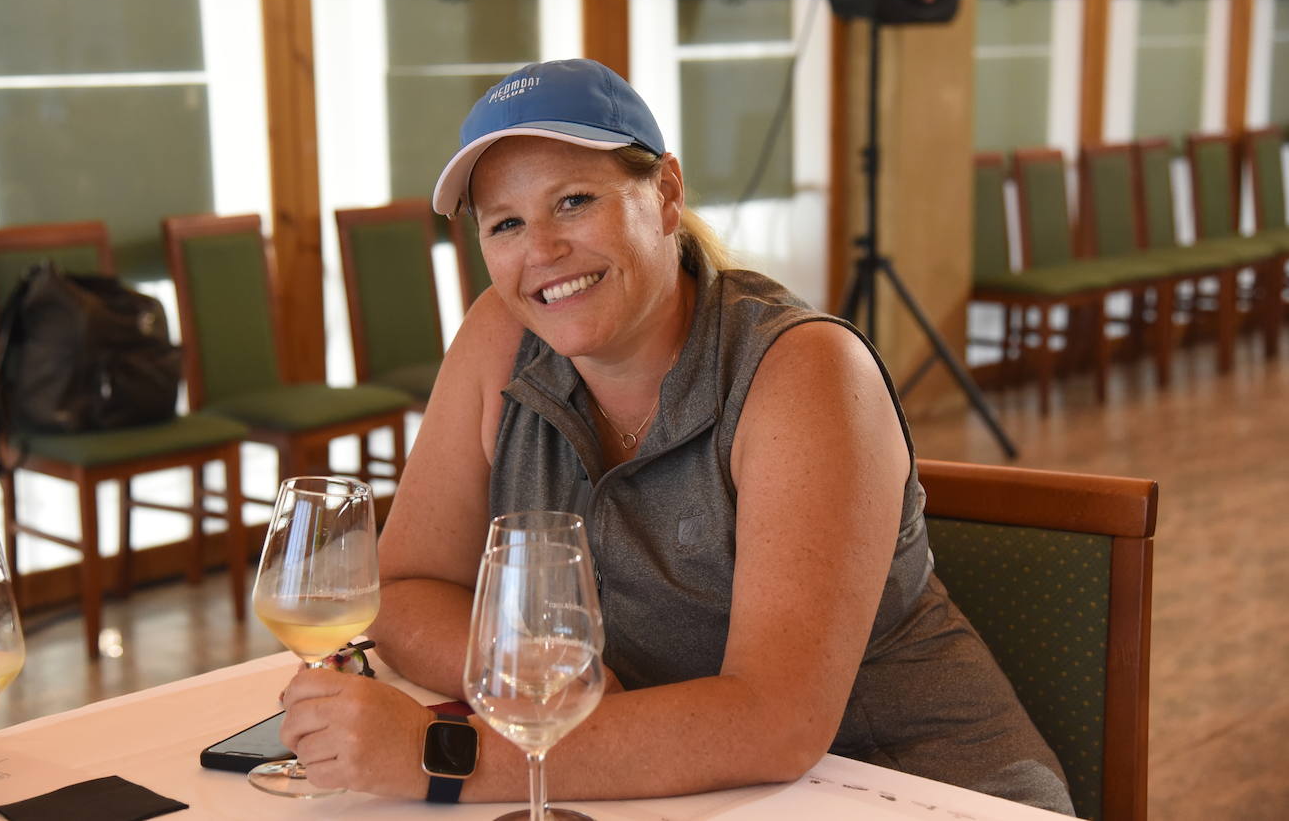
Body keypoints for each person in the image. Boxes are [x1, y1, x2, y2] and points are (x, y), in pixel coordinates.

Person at [278, 58, 1074, 814]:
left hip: (905, 786)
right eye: (506, 223)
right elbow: (409, 587)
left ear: (664, 192)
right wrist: (562, 688)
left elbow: (774, 722)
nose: (541, 252)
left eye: (574, 202)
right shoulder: (502, 335)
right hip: (678, 789)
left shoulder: (806, 372)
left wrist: (439, 755)